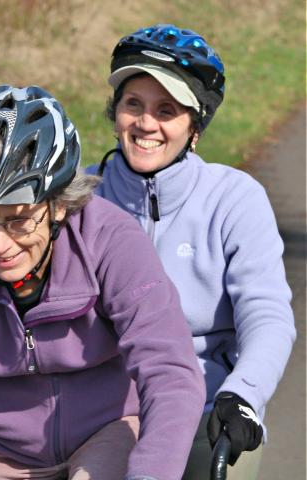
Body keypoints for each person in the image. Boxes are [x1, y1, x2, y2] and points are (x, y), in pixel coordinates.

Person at [0, 84, 205, 480]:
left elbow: (170, 372)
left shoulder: (111, 239)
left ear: (59, 204)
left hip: (106, 432)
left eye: (20, 220)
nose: (0, 243)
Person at [86, 24, 296, 479]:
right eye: (133, 105)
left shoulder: (234, 198)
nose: (146, 124)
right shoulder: (78, 199)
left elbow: (267, 314)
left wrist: (242, 395)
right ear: (115, 110)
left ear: (195, 126)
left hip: (206, 414)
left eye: (167, 110)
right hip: (95, 419)